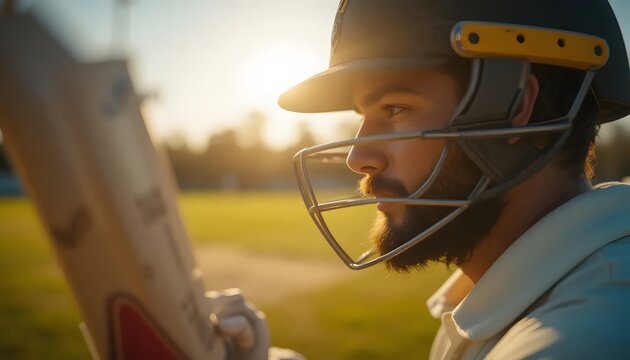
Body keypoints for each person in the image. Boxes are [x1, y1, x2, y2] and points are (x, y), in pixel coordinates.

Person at [272, 0, 630, 358]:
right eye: (363, 115)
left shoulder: (581, 335)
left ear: (512, 104)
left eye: (395, 109)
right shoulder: (504, 297)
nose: (358, 158)